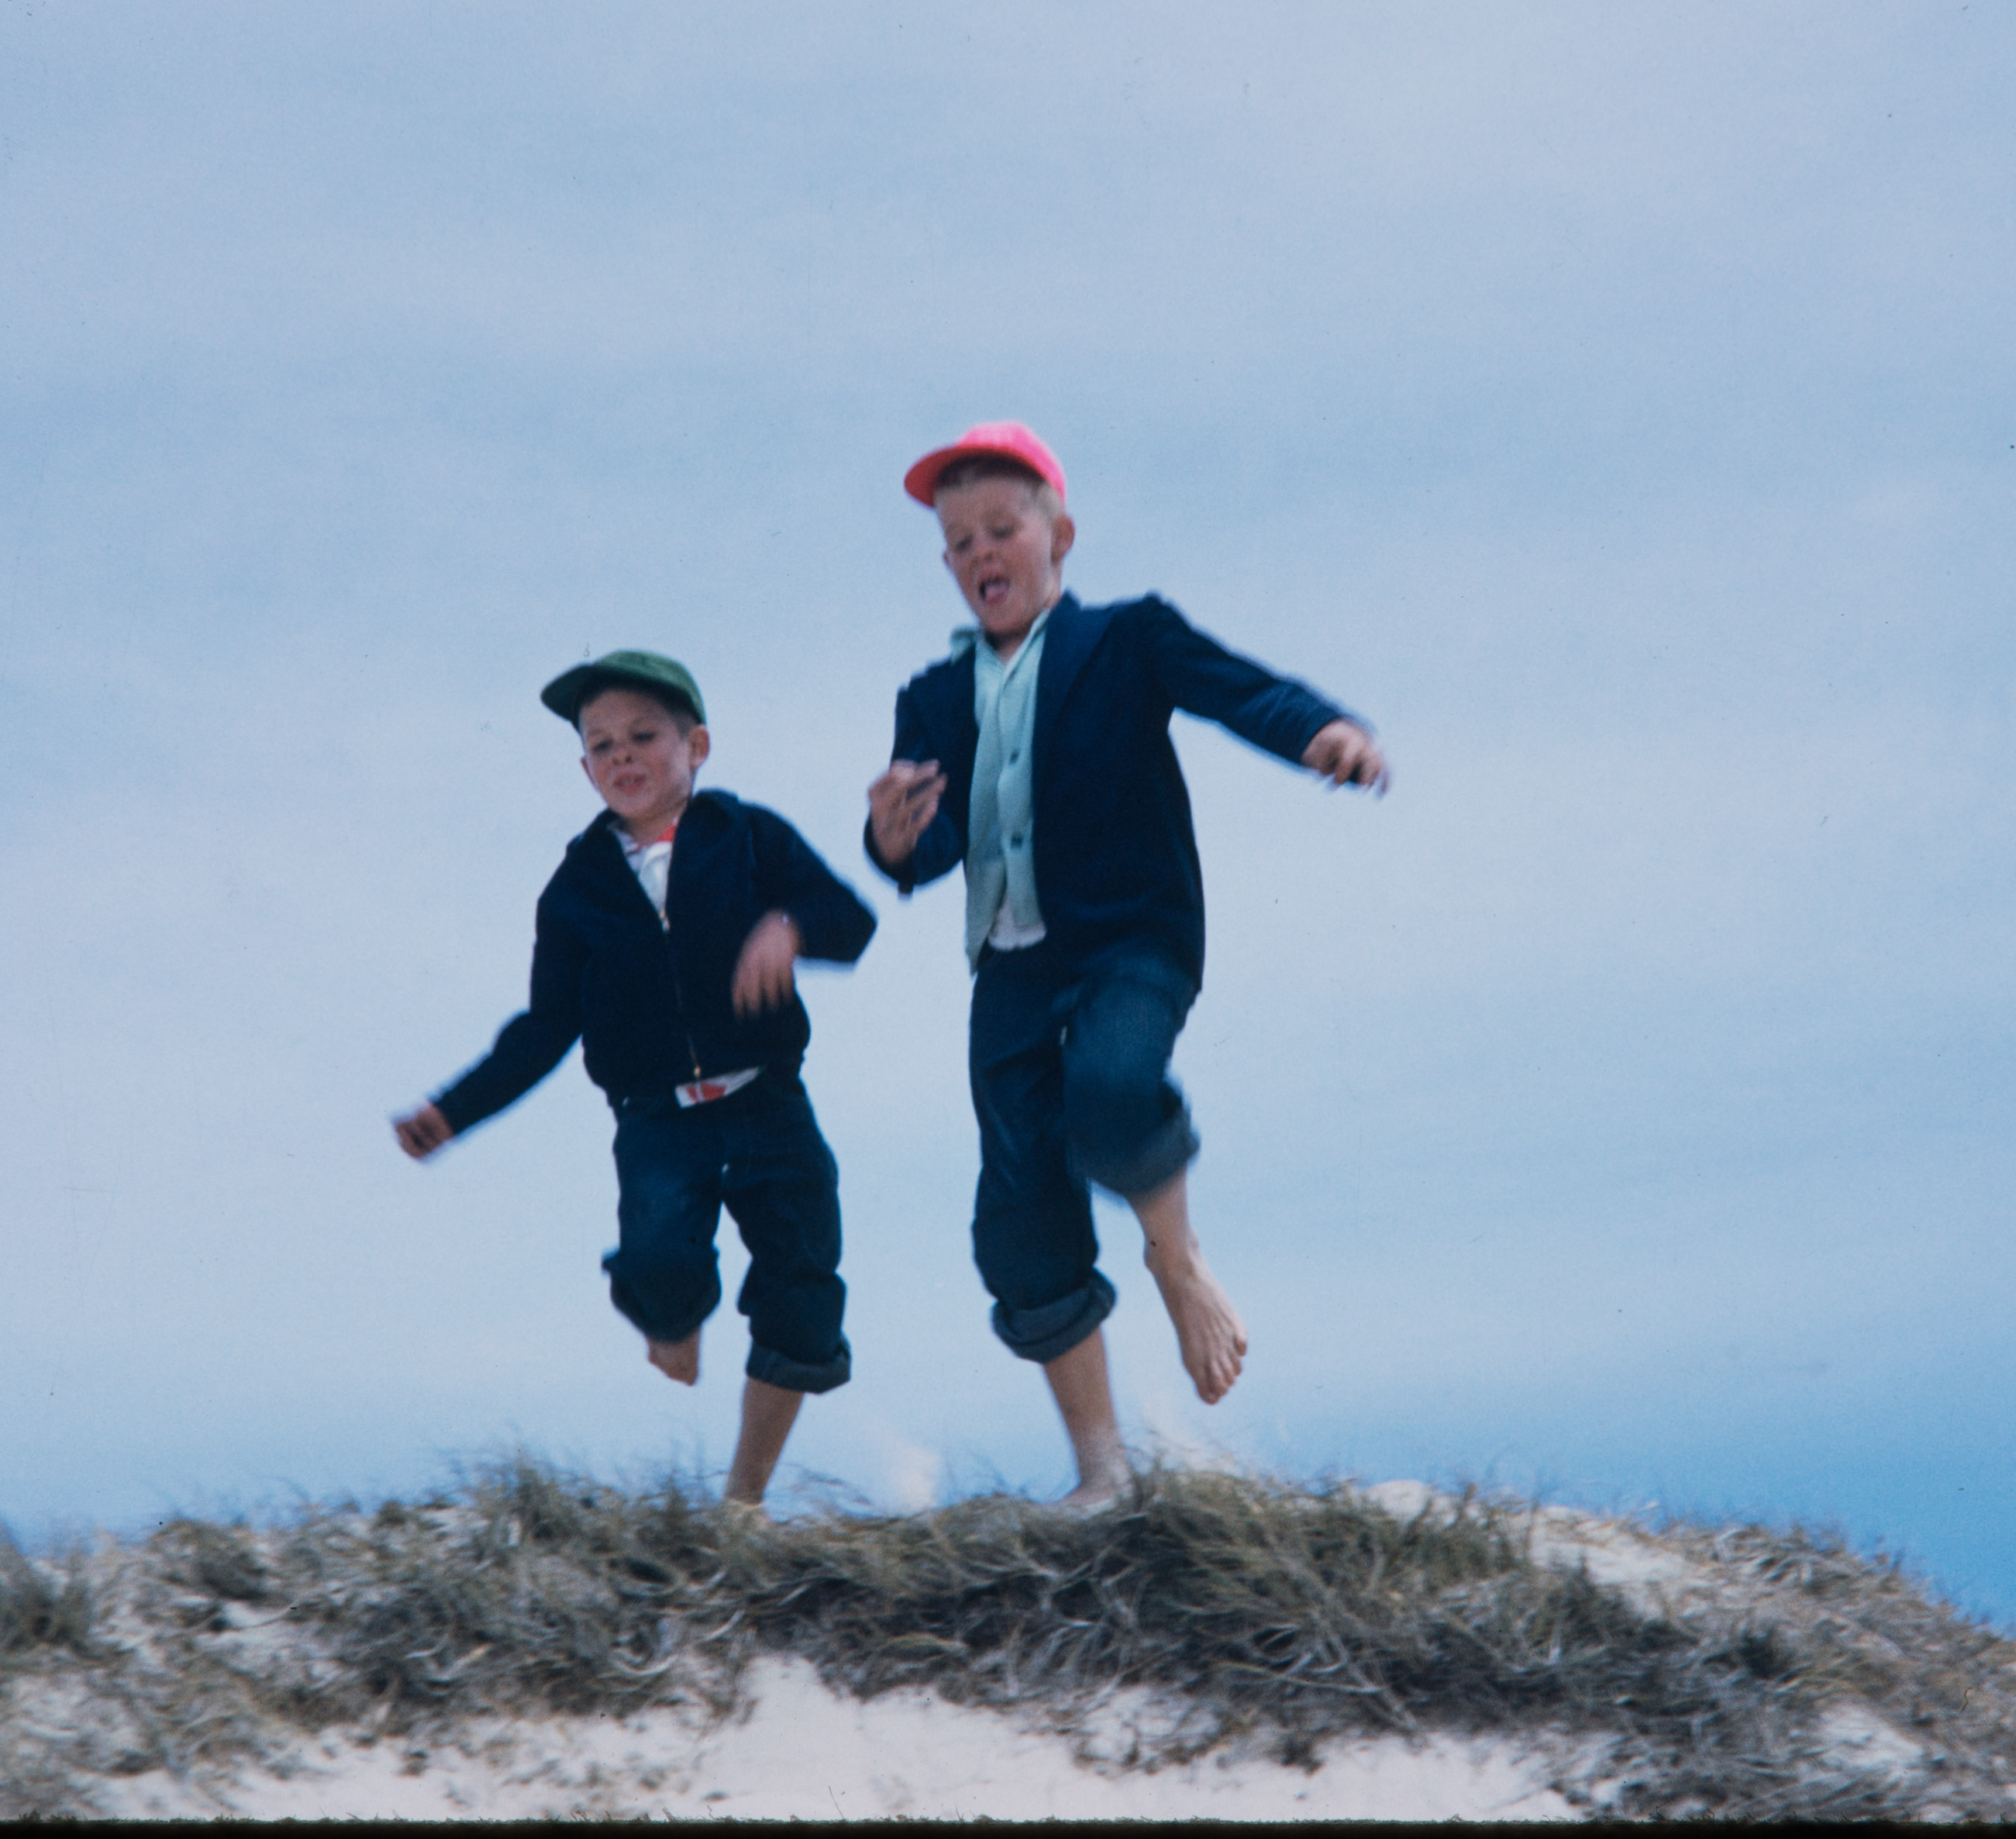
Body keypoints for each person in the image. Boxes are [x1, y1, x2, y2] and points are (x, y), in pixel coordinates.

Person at [863, 423, 1388, 1506]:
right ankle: (1100, 1471)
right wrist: (890, 834)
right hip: (1011, 969)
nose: (981, 552)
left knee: (1108, 1091)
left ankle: (1175, 1257)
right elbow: (929, 850)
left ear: (1060, 537)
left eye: (1002, 528)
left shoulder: (1127, 638)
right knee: (1020, 1224)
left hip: (1131, 943)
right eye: (959, 542)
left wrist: (1323, 732)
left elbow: (1239, 690)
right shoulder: (932, 696)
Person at [397, 649, 876, 1507]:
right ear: (585, 769)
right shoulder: (574, 892)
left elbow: (850, 917)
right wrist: (455, 1110)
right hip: (659, 1123)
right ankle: (670, 1319)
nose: (623, 755)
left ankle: (744, 1500)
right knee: (660, 1266)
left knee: (805, 1294)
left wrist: (790, 926)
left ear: (697, 746)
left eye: (644, 736)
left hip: (769, 1104)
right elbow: (545, 1027)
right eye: (602, 745)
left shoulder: (750, 836)